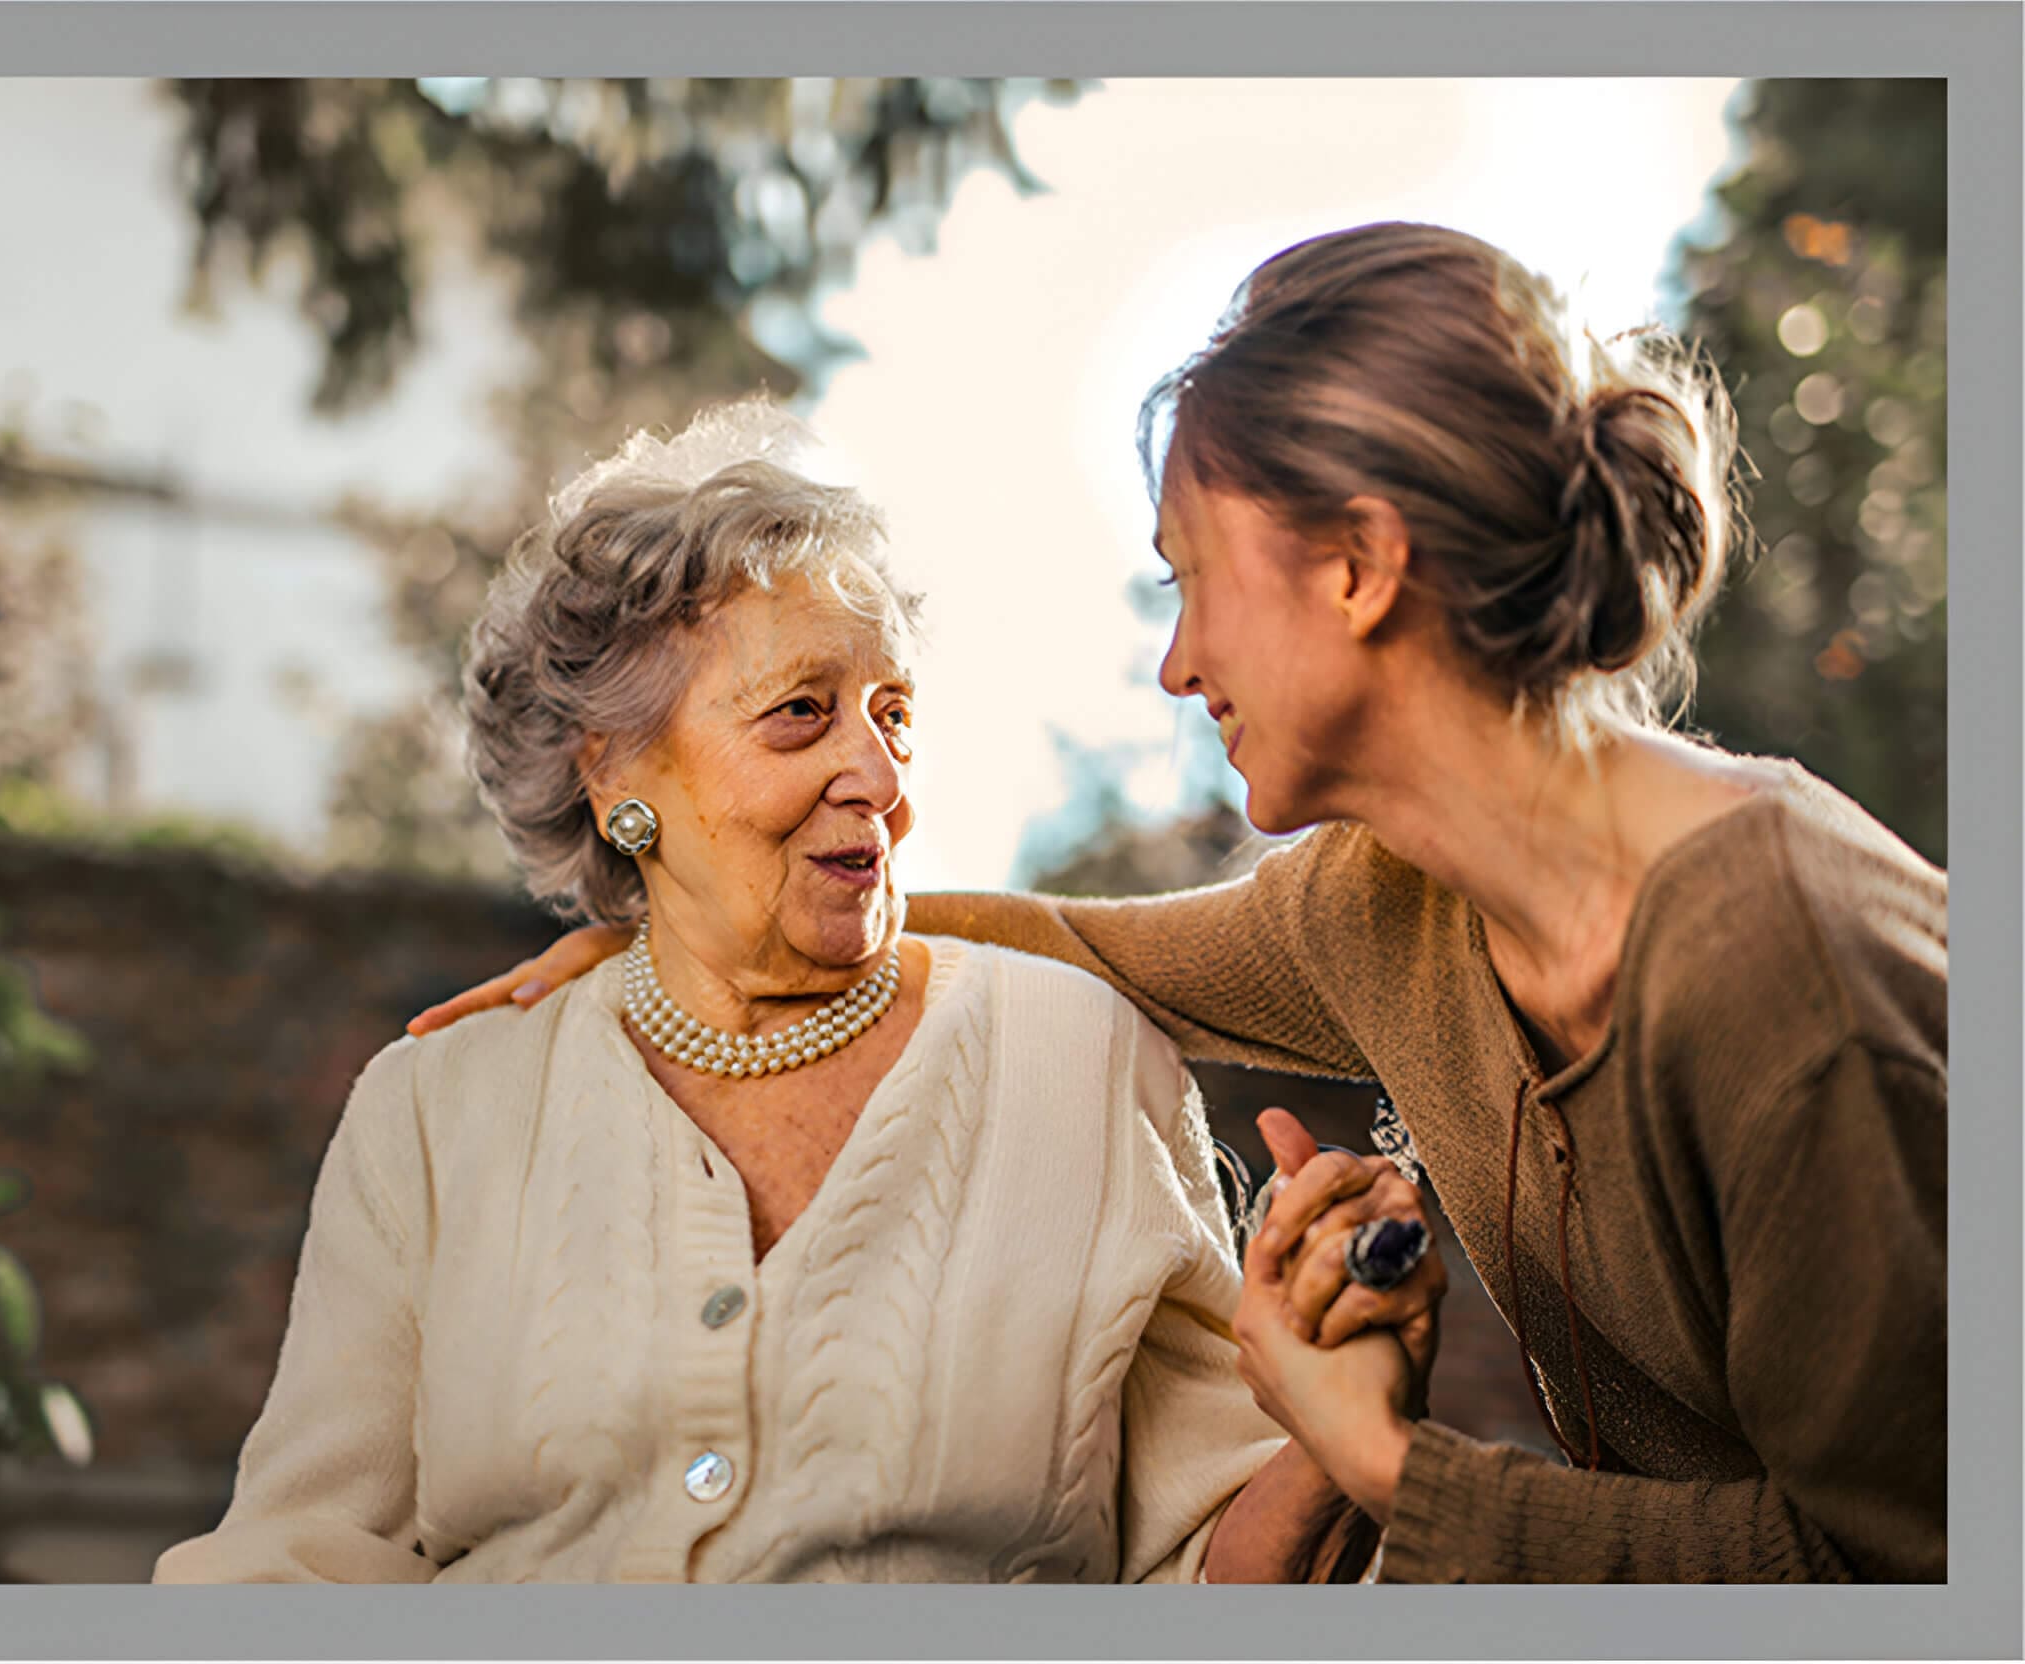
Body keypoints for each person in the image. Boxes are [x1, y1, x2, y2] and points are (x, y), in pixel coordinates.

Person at [408, 225, 1949, 1583]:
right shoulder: (1386, 906)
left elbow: (1915, 1577)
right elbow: (1079, 945)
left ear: (1356, 566)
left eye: (1190, 579)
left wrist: (1389, 1470)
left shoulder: (1782, 971)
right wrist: (683, 919)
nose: (1178, 662)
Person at [154, 401, 1424, 1585]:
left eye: (892, 714)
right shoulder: (436, 1109)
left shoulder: (1079, 1060)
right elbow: (295, 1565)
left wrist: (1332, 1440)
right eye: (801, 714)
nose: (875, 772)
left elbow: (1207, 1575)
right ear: (614, 775)